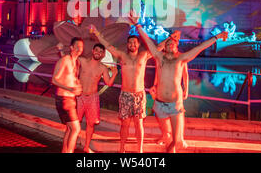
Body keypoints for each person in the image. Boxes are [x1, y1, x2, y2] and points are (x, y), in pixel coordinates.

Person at [128, 11, 228, 153]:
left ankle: (173, 146)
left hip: (175, 105)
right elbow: (148, 42)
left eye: (172, 43)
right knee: (167, 135)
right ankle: (167, 140)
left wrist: (217, 37)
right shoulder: (159, 57)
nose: (169, 45)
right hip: (160, 104)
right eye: (167, 43)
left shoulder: (180, 59)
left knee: (175, 140)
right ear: (164, 47)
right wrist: (137, 25)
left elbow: (200, 47)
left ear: (176, 47)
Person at [89, 24, 150, 153]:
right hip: (126, 95)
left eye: (135, 42)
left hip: (139, 95)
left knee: (139, 125)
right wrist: (97, 33)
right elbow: (108, 46)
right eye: (130, 43)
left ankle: (140, 150)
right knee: (125, 124)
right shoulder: (122, 56)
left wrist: (171, 39)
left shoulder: (144, 55)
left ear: (138, 44)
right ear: (127, 45)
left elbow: (158, 48)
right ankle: (122, 148)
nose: (132, 44)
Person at [76, 43, 118, 153]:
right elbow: (70, 61)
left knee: (91, 124)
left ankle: (86, 146)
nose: (98, 53)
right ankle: (72, 142)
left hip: (93, 98)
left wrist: (114, 73)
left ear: (103, 54)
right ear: (92, 50)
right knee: (75, 122)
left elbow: (108, 83)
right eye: (96, 50)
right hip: (79, 96)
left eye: (101, 52)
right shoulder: (83, 61)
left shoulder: (102, 68)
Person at [51, 37, 84, 153]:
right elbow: (54, 80)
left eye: (81, 47)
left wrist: (77, 86)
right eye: (77, 46)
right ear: (71, 47)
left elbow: (71, 77)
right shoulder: (65, 59)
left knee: (70, 129)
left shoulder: (76, 62)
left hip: (70, 99)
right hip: (64, 99)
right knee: (76, 128)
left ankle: (65, 151)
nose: (80, 49)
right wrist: (69, 88)